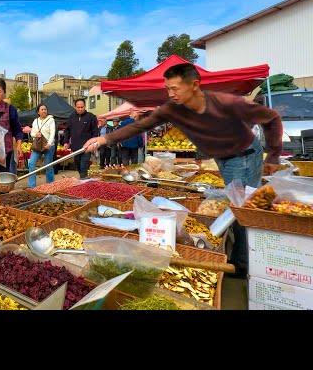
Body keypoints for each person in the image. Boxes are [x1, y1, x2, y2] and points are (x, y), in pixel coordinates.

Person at [83, 63, 283, 276]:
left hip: (243, 156)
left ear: (195, 85)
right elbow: (142, 125)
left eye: (175, 88)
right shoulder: (173, 108)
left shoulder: (224, 103)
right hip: (223, 158)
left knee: (241, 210)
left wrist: (273, 155)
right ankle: (236, 253)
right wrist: (105, 138)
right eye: (168, 88)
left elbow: (271, 118)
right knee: (233, 206)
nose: (171, 94)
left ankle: (242, 265)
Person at [63, 98, 98, 179]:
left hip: (86, 147)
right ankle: (84, 178)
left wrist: (93, 144)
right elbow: (67, 130)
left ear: (85, 106)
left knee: (83, 166)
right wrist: (66, 142)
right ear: (75, 107)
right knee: (78, 165)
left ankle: (83, 180)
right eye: (78, 107)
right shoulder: (71, 117)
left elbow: (95, 132)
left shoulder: (91, 117)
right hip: (75, 147)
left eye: (82, 107)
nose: (80, 109)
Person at [25, 103, 56, 188]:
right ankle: (32, 186)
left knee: (48, 165)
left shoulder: (51, 120)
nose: (44, 111)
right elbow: (32, 133)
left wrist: (49, 143)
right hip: (38, 145)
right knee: (31, 163)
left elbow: (53, 132)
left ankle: (50, 185)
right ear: (38, 112)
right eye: (42, 109)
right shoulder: (35, 121)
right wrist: (36, 135)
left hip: (49, 146)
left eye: (45, 109)